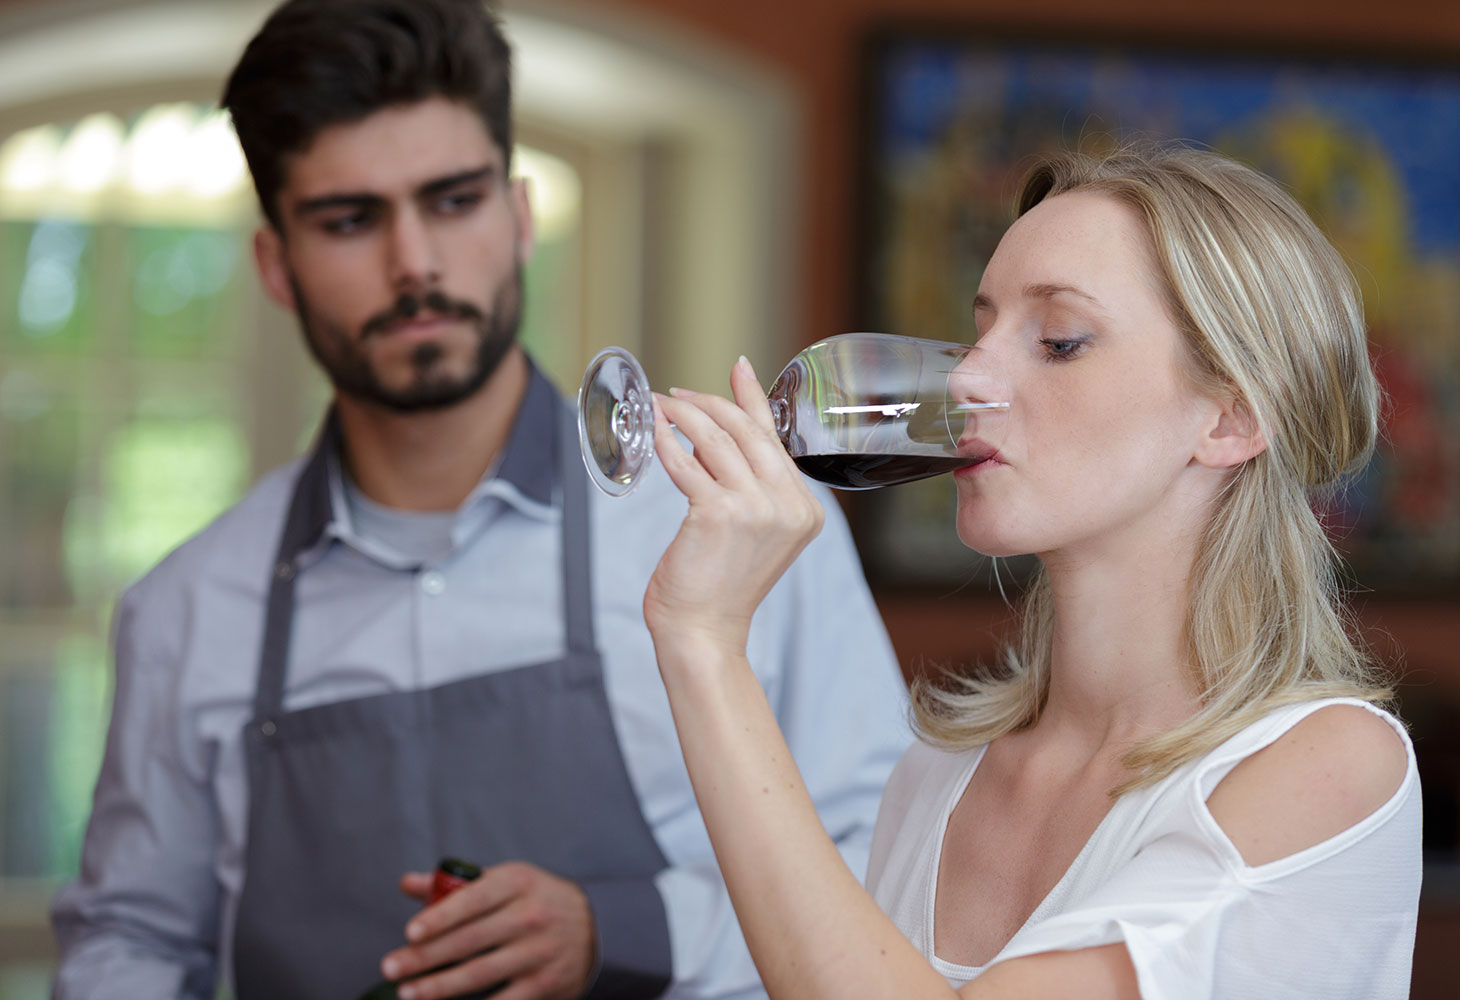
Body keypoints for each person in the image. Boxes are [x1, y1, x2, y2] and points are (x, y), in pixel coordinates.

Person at [48, 2, 910, 999]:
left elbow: (888, 864)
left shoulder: (735, 523)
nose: (413, 261)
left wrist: (621, 926)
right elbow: (129, 945)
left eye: (453, 200)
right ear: (275, 265)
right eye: (349, 219)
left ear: (520, 216)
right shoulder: (185, 609)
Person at [639, 143, 1423, 999]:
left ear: (1230, 418)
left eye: (1058, 341)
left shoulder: (1328, 765)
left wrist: (708, 645)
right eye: (979, 331)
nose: (969, 376)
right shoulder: (940, 770)